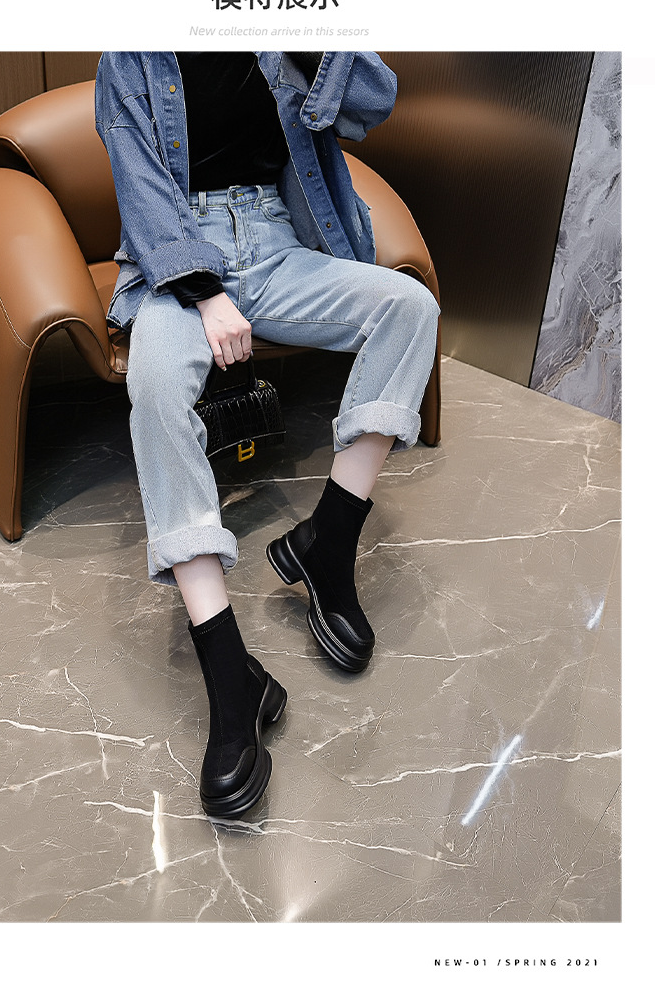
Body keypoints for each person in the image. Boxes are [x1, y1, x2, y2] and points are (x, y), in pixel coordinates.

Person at [95, 51, 440, 819]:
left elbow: (371, 102)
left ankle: (328, 544)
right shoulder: (133, 48)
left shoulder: (282, 20)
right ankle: (230, 676)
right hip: (175, 259)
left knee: (409, 308)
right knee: (155, 385)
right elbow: (139, 182)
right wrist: (205, 291)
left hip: (277, 239)